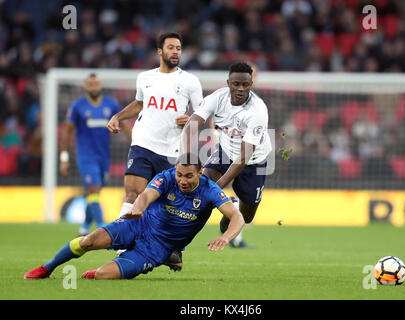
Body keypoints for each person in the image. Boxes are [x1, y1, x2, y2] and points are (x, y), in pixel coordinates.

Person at [24, 153, 244, 280]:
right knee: (88, 241)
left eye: (188, 176)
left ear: (200, 172)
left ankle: (111, 268)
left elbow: (237, 217)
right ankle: (48, 267)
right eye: (179, 175)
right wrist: (137, 207)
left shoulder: (210, 190)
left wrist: (226, 237)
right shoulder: (166, 177)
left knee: (102, 276)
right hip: (138, 223)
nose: (182, 180)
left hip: (157, 248)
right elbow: (147, 195)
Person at [106, 32, 203, 230]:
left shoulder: (190, 81)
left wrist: (191, 120)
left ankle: (168, 248)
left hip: (171, 149)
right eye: (171, 47)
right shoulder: (145, 78)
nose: (175, 52)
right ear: (160, 51)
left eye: (178, 48)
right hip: (143, 143)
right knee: (132, 194)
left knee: (167, 203)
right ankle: (121, 244)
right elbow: (139, 104)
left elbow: (202, 112)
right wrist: (117, 116)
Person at [181, 61, 272, 249]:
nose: (240, 88)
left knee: (245, 217)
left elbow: (244, 157)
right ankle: (176, 244)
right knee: (199, 191)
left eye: (245, 85)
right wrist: (186, 160)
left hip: (253, 161)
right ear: (228, 82)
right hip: (225, 152)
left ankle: (232, 209)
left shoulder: (258, 111)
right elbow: (190, 127)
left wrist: (219, 188)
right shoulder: (217, 98)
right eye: (236, 84)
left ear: (251, 85)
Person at [59, 73, 131, 236]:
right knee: (94, 188)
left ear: (100, 85)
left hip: (104, 156)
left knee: (95, 192)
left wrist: (136, 144)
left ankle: (84, 226)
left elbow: (124, 123)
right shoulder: (78, 106)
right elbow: (67, 132)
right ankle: (101, 228)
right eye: (90, 84)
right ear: (86, 87)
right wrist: (64, 158)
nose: (94, 87)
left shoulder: (111, 104)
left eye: (96, 84)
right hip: (85, 155)